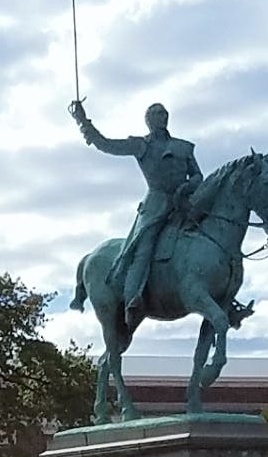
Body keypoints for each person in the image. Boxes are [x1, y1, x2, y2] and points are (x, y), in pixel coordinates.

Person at [69, 100, 203, 326]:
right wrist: (83, 122)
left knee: (214, 236)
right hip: (156, 205)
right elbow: (106, 144)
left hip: (185, 204)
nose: (163, 116)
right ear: (149, 120)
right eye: (158, 114)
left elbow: (197, 175)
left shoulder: (184, 147)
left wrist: (188, 187)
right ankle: (133, 298)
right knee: (144, 249)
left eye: (165, 113)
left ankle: (225, 295)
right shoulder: (142, 146)